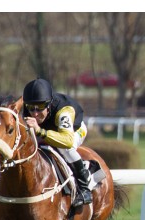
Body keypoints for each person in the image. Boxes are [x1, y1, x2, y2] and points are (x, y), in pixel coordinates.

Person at [22, 78, 93, 207]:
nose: (35, 113)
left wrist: (40, 131)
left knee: (65, 149)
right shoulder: (27, 108)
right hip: (49, 129)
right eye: (31, 108)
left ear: (49, 104)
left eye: (40, 108)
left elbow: (67, 140)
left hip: (74, 131)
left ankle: (84, 189)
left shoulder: (64, 111)